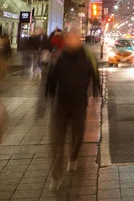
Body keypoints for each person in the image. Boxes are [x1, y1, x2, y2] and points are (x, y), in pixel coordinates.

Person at [46, 29, 100, 190]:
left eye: (74, 38)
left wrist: (96, 91)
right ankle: (55, 177)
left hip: (79, 103)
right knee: (57, 141)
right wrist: (48, 94)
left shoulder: (87, 56)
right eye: (69, 38)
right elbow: (51, 77)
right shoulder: (59, 57)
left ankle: (73, 156)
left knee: (77, 135)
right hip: (61, 103)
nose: (71, 40)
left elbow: (94, 74)